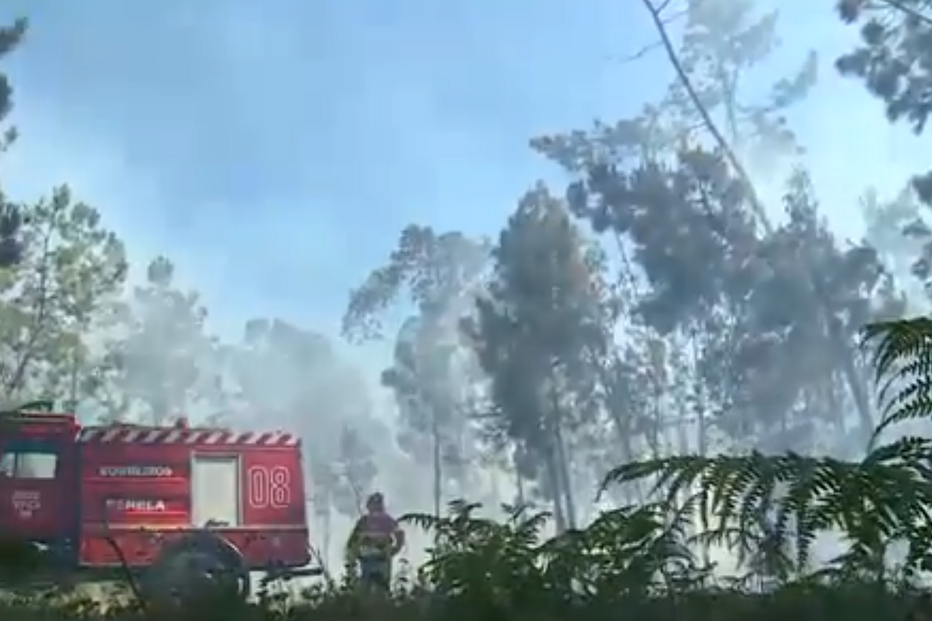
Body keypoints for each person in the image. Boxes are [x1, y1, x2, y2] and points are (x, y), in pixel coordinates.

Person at [345, 492, 405, 590]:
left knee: (379, 585)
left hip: (380, 558)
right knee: (370, 585)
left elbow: (399, 534)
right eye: (374, 504)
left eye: (378, 504)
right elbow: (352, 541)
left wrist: (394, 550)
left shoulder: (386, 520)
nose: (376, 507)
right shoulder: (364, 521)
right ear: (369, 506)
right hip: (368, 558)